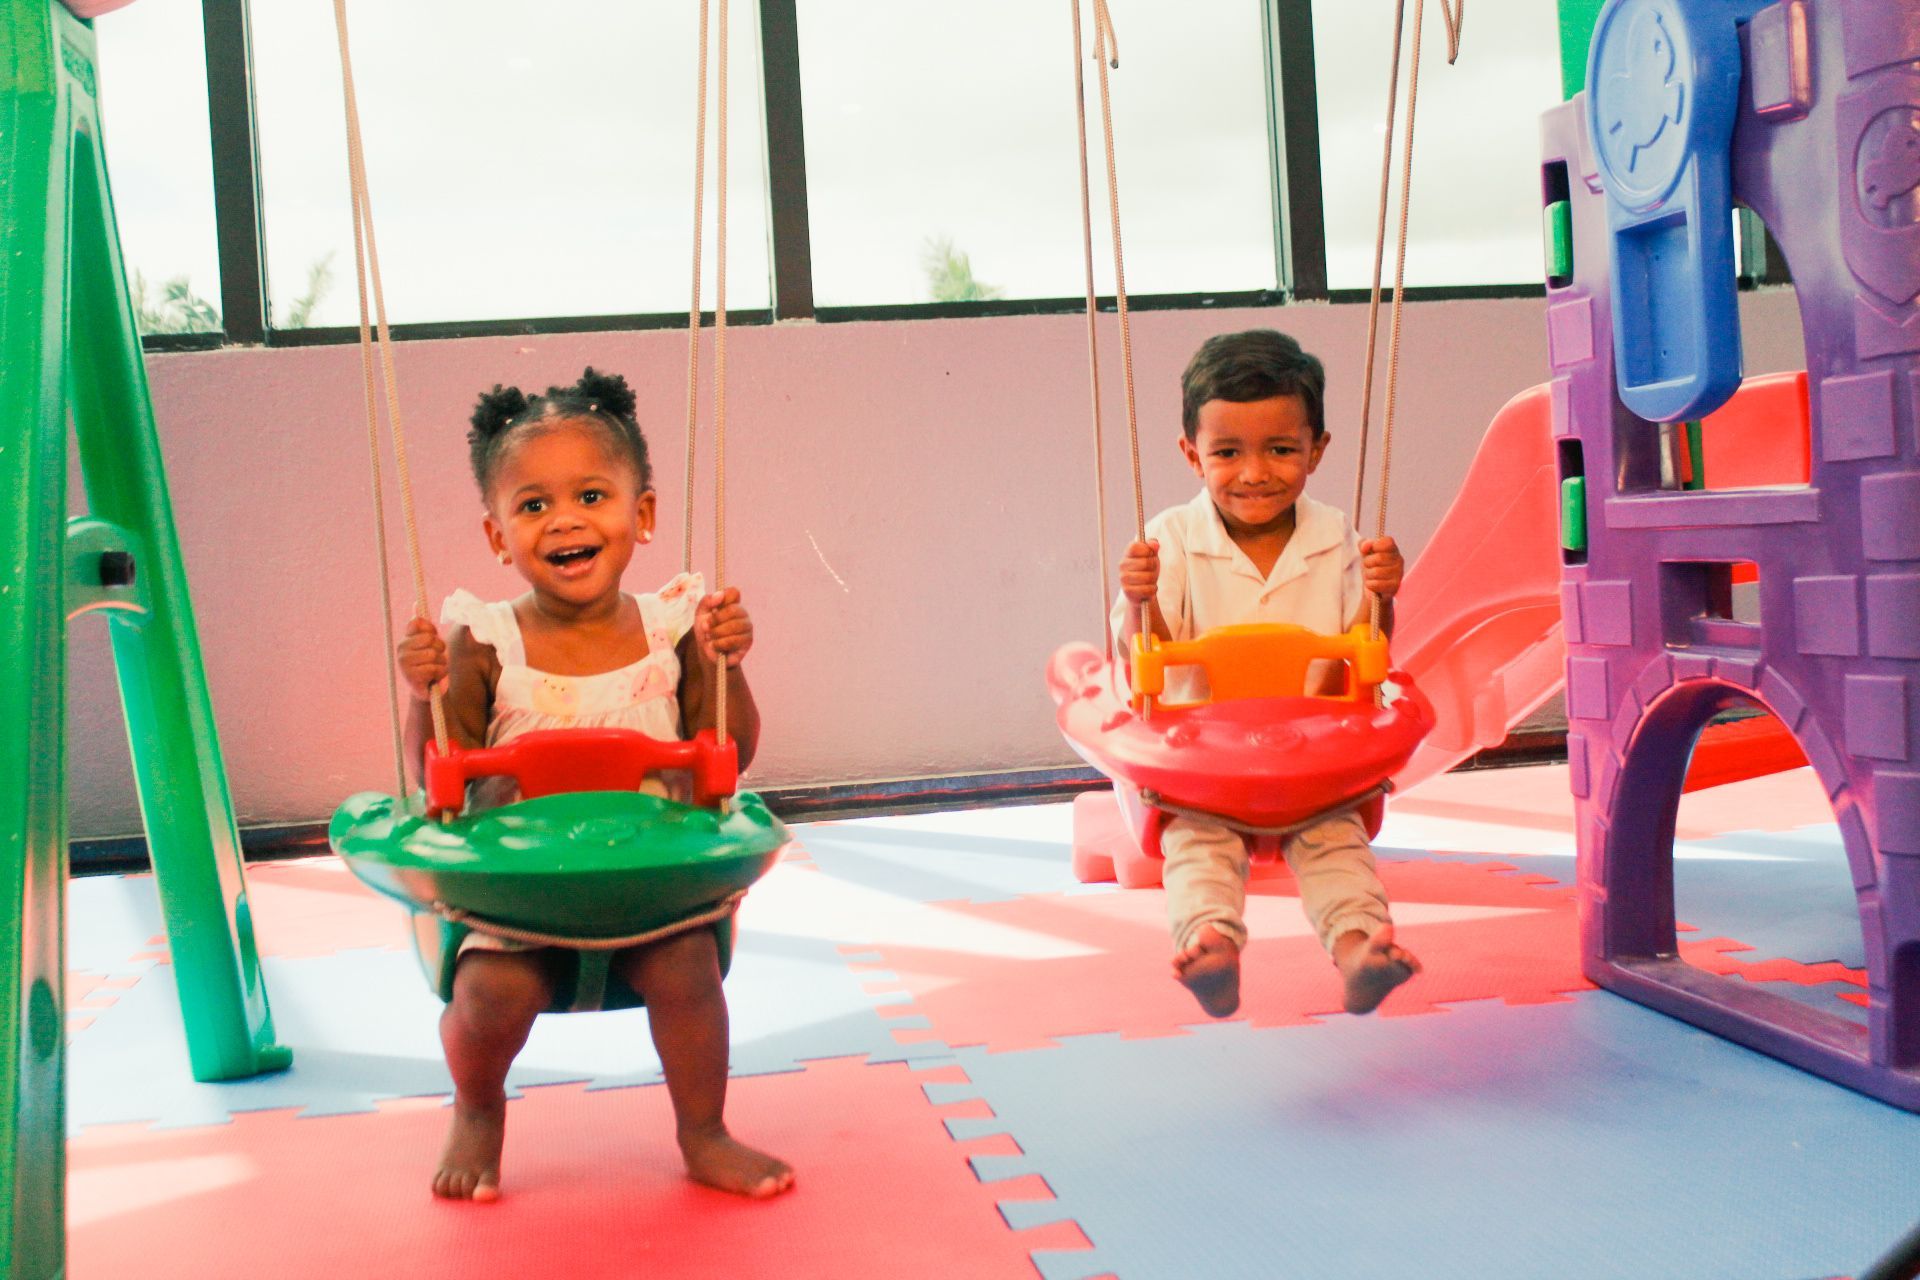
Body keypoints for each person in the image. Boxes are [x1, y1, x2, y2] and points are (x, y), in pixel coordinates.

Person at [396, 368, 792, 1203]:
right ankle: (477, 1109)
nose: (565, 519)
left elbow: (733, 751)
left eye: (590, 496)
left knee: (689, 972)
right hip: (518, 900)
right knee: (488, 995)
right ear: (499, 536)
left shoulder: (675, 630)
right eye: (533, 505)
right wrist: (423, 691)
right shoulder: (484, 642)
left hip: (651, 891)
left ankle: (704, 1131)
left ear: (640, 515)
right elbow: (438, 771)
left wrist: (725, 664)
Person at [1114, 329, 1422, 1020]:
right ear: (1192, 454)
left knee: (1337, 842)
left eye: (1280, 450)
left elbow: (1368, 649)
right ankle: (1212, 946)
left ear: (1317, 449)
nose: (1254, 473)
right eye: (1228, 453)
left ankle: (1359, 950)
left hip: (1313, 761)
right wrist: (1142, 599)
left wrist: (1384, 594)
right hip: (1203, 766)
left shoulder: (1336, 536)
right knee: (1196, 843)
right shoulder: (1171, 539)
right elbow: (1147, 661)